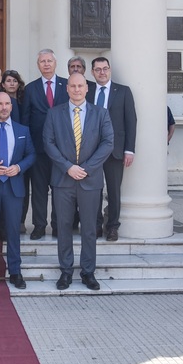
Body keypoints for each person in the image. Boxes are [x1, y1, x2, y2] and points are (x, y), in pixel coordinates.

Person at [43, 73, 114, 291]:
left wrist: (86, 168)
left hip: (89, 180)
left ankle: (88, 272)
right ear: (67, 89)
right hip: (63, 179)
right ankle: (65, 272)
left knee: (89, 228)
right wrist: (68, 167)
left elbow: (108, 143)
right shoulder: (54, 113)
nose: (76, 89)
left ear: (87, 88)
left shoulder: (101, 113)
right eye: (72, 86)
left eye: (80, 86)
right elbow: (48, 143)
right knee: (63, 227)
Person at [0, 92, 36, 289]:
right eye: (0, 104)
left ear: (11, 106)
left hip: (14, 187)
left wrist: (19, 167)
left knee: (13, 232)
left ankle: (15, 272)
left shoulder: (23, 130)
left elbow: (31, 155)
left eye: (7, 104)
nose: (4, 107)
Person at [87, 56, 137, 242]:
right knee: (94, 190)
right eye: (98, 69)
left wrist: (129, 149)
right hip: (91, 151)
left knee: (114, 190)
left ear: (110, 70)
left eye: (105, 68)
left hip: (115, 150)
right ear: (92, 72)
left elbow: (131, 121)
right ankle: (96, 225)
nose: (102, 72)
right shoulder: (87, 91)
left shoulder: (123, 91)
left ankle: (113, 227)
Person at [21, 49, 68, 239]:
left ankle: (58, 225)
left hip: (62, 149)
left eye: (49, 61)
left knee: (59, 189)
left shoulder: (67, 85)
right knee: (39, 189)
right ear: (38, 65)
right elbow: (25, 120)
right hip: (38, 149)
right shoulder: (30, 89)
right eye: (43, 61)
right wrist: (27, 148)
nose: (46, 64)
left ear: (55, 63)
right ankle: (39, 226)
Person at [3, 69, 30, 231]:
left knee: (22, 186)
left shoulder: (24, 100)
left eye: (15, 81)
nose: (12, 84)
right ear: (3, 84)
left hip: (23, 147)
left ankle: (20, 221)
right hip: (4, 147)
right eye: (8, 81)